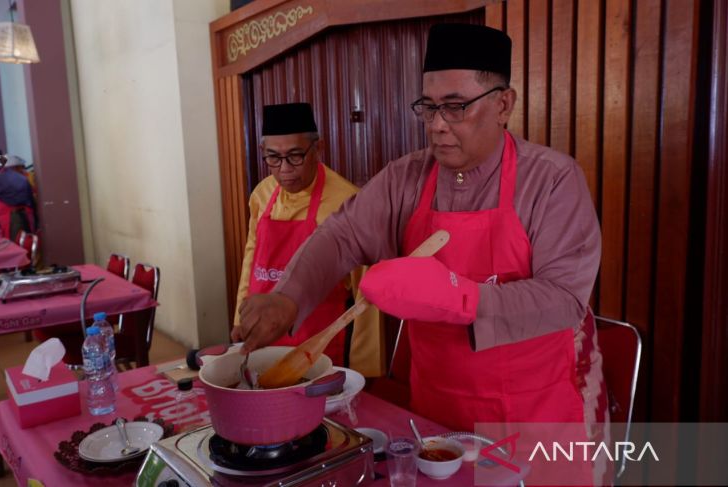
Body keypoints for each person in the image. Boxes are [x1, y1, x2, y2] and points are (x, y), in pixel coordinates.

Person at [234, 24, 606, 478]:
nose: (437, 126)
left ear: (504, 104)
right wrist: (288, 297)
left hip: (529, 415)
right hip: (434, 413)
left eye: (455, 107)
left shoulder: (551, 181)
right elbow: (341, 236)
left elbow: (564, 300)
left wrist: (461, 297)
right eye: (428, 108)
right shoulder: (406, 178)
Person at [231, 102, 384, 376]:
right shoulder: (262, 195)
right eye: (273, 158)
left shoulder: (347, 202)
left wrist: (366, 368)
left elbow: (367, 293)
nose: (285, 169)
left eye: (295, 156)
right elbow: (251, 259)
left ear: (318, 148)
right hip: (264, 340)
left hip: (318, 345)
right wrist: (241, 319)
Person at [0, 155, 37, 240]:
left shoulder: (5, 178)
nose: (22, 170)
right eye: (20, 168)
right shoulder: (21, 179)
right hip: (20, 217)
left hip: (12, 219)